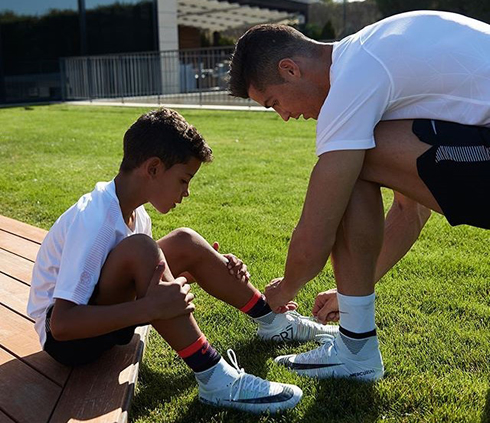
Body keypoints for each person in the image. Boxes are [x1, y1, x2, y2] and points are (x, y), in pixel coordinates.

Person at [228, 10, 490, 381]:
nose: (284, 115)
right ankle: (356, 341)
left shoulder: (357, 74)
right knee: (360, 150)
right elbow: (409, 210)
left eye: (273, 102)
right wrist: (349, 295)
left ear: (290, 69)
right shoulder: (370, 51)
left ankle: (356, 350)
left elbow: (318, 230)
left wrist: (283, 290)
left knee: (355, 156)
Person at [27, 108, 339, 413]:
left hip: (97, 321)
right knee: (143, 250)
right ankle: (214, 378)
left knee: (185, 241)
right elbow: (62, 326)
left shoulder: (135, 214)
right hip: (68, 344)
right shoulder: (94, 220)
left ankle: (271, 321)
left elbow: (128, 279)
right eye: (183, 180)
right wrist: (149, 307)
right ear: (153, 168)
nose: (186, 192)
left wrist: (209, 263)